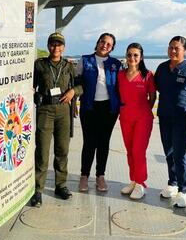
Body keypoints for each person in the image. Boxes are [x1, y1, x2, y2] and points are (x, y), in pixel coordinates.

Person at [30, 32, 83, 207]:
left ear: (64, 47)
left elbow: (81, 85)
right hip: (45, 109)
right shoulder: (39, 65)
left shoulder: (68, 66)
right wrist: (35, 95)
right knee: (42, 151)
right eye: (53, 44)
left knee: (62, 150)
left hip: (63, 111)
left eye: (59, 45)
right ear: (48, 46)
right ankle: (38, 189)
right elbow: (30, 85)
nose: (56, 47)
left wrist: (73, 91)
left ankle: (60, 185)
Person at [155, 36, 186, 208]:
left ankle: (183, 190)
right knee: (169, 152)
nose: (173, 51)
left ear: (184, 50)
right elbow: (156, 87)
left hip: (183, 118)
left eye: (177, 48)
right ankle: (172, 184)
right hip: (165, 116)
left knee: (180, 154)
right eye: (171, 47)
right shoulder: (162, 68)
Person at [77, 33, 121, 192]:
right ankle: (84, 176)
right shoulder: (85, 60)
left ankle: (100, 176)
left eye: (109, 44)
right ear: (97, 43)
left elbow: (120, 86)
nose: (105, 45)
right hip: (89, 107)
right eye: (103, 42)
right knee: (89, 142)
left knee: (104, 142)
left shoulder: (116, 64)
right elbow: (76, 82)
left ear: (112, 48)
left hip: (109, 109)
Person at [117, 43, 156, 200]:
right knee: (129, 150)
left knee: (138, 151)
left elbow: (152, 97)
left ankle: (141, 183)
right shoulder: (120, 75)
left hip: (143, 118)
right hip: (125, 117)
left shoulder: (147, 75)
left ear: (141, 57)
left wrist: (144, 111)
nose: (132, 58)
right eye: (129, 55)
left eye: (135, 55)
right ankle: (133, 180)